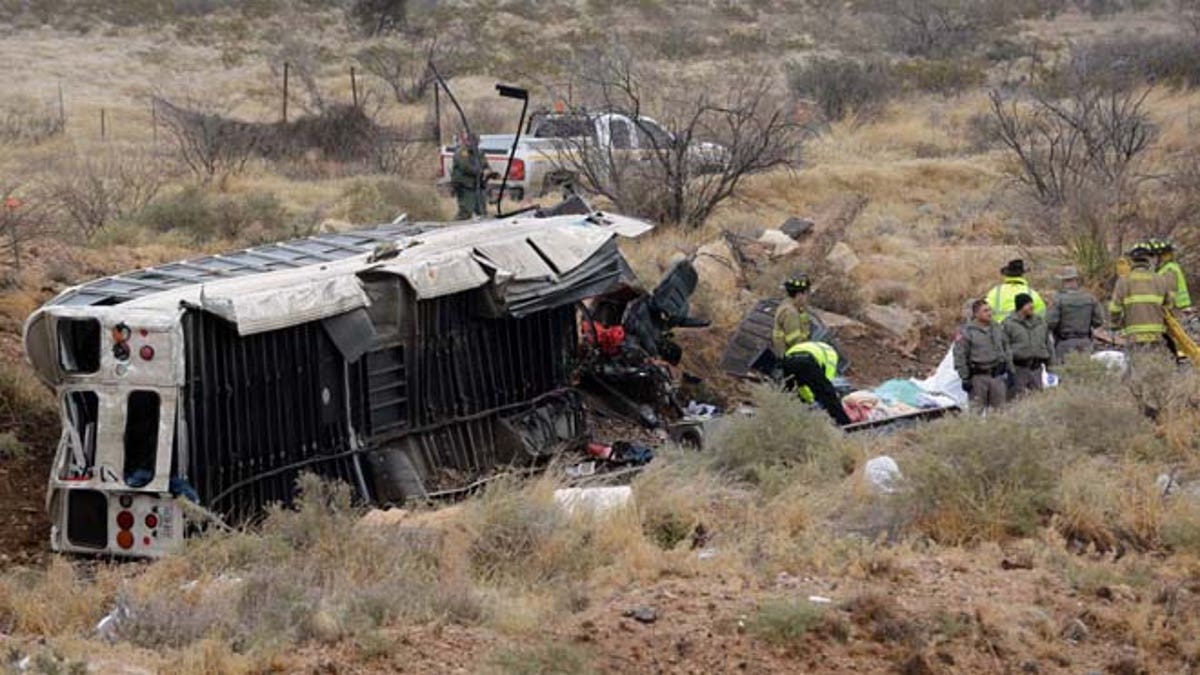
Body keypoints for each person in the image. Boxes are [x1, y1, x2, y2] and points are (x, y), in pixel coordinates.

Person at [1109, 243, 1174, 351]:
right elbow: (1168, 306)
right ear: (1148, 260)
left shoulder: (1124, 281)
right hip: (1156, 334)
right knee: (1155, 365)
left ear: (1132, 260)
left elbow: (1115, 308)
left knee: (1137, 364)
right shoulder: (1160, 280)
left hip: (1133, 335)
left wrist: (1114, 324)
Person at [954, 299, 1012, 411]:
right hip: (978, 378)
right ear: (976, 314)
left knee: (1000, 412)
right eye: (985, 311)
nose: (989, 313)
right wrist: (965, 378)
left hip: (997, 376)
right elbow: (960, 356)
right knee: (977, 412)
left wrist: (1010, 369)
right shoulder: (967, 332)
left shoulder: (997, 328)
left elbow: (1006, 348)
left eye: (990, 310)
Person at [781, 340, 851, 426]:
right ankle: (845, 425)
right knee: (828, 395)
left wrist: (809, 401)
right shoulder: (832, 354)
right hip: (807, 361)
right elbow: (827, 380)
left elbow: (802, 387)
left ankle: (792, 422)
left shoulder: (813, 346)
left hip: (788, 361)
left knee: (791, 396)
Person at [1046, 266, 1104, 361]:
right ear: (1077, 281)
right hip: (1085, 342)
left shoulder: (1058, 300)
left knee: (1064, 372)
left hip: (1064, 343)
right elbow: (1098, 321)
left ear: (1064, 282)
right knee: (1085, 371)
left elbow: (1050, 322)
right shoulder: (1090, 298)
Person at [1003, 293, 1054, 396]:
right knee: (1018, 401)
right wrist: (1010, 369)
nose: (1032, 306)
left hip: (1037, 369)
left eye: (1032, 303)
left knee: (1038, 401)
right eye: (1028, 304)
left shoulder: (1041, 323)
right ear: (1020, 307)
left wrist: (1051, 366)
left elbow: (1049, 345)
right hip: (1019, 370)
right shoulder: (1008, 324)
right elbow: (1004, 348)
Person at [985, 259, 1045, 324]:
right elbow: (1041, 315)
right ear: (1022, 275)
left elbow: (985, 312)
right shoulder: (1031, 293)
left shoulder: (995, 292)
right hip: (1024, 331)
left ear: (1007, 275)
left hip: (1000, 330)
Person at [451, 131, 489, 219]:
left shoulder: (479, 153)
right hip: (465, 186)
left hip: (478, 185)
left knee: (482, 211)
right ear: (467, 141)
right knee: (465, 212)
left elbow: (485, 164)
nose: (475, 144)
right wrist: (480, 171)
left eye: (477, 142)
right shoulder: (461, 152)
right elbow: (466, 167)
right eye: (473, 141)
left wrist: (488, 172)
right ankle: (456, 228)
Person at [773, 275, 812, 358]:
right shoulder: (790, 312)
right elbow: (795, 341)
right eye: (806, 294)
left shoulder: (792, 306)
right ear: (799, 295)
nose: (807, 297)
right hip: (791, 358)